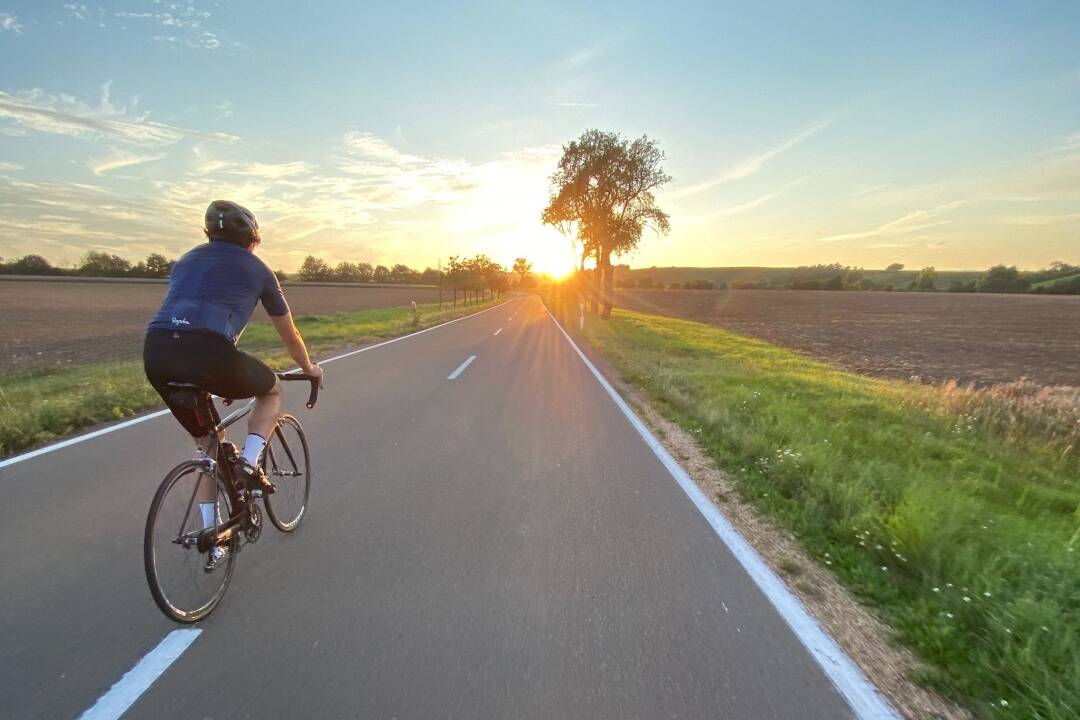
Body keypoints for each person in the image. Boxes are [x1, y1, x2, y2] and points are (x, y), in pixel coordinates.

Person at [143, 200, 323, 570]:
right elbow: (289, 336)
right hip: (209, 353)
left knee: (207, 446)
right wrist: (310, 368)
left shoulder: (187, 260)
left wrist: (220, 375)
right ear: (251, 241)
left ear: (209, 234)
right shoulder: (258, 269)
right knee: (271, 389)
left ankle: (215, 540)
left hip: (157, 351)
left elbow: (193, 315)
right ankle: (250, 464)